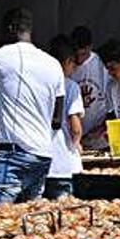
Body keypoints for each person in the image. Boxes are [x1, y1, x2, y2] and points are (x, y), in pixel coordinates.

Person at [0, 8, 65, 204]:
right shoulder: (53, 64)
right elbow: (57, 120)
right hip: (43, 156)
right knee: (29, 220)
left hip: (13, 154)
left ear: (10, 29)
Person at [44, 35, 85, 199]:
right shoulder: (71, 86)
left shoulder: (40, 82)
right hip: (64, 163)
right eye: (74, 64)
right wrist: (77, 144)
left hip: (41, 160)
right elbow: (75, 128)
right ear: (68, 61)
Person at [70, 26, 110, 150]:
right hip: (76, 139)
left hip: (99, 138)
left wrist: (104, 126)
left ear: (89, 47)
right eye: (75, 55)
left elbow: (111, 99)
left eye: (82, 54)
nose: (78, 59)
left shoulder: (100, 64)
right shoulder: (69, 64)